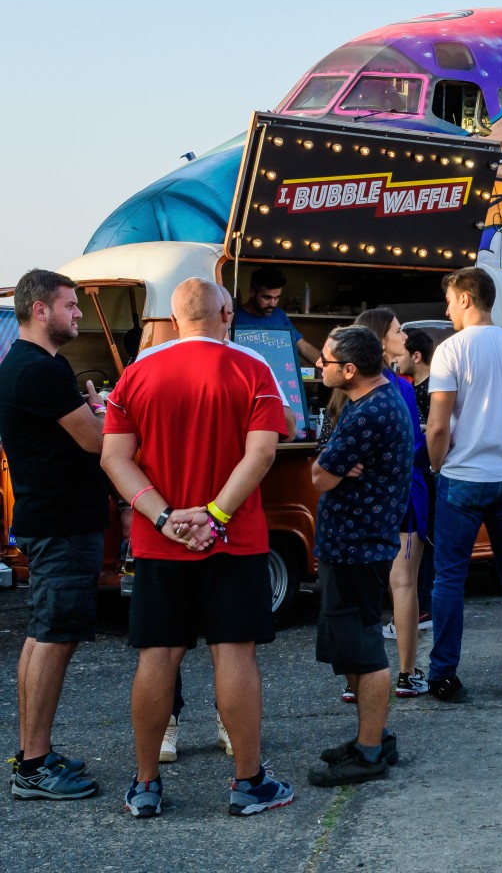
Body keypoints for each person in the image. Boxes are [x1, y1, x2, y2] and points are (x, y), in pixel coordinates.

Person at [101, 277, 293, 818]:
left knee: (156, 656)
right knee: (233, 653)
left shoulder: (135, 375)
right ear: (227, 311)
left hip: (160, 543)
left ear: (175, 317)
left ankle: (144, 785)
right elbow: (262, 456)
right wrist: (215, 516)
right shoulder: (254, 370)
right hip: (234, 540)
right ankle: (248, 783)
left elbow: (115, 459)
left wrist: (164, 517)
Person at [0, 270, 106, 801]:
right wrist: (105, 413)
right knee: (54, 637)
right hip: (61, 523)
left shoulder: (40, 365)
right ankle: (34, 766)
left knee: (42, 633)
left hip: (52, 519)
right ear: (40, 310)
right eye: (70, 305)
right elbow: (95, 441)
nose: (78, 313)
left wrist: (91, 409)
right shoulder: (36, 371)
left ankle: (30, 753)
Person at [424, 267, 502, 702]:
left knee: (449, 578)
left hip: (462, 478)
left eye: (449, 300)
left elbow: (438, 427)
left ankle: (443, 674)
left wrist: (437, 468)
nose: (446, 309)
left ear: (465, 299)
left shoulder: (449, 351)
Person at [306, 325, 414, 786]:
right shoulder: (366, 401)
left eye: (326, 361)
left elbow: (320, 477)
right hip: (353, 543)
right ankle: (373, 736)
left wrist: (328, 463)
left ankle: (370, 752)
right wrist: (329, 459)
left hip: (357, 547)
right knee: (349, 648)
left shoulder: (370, 412)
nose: (319, 366)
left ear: (350, 370)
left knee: (365, 651)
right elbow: (326, 460)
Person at [354, 308, 432, 699]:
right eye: (399, 330)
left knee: (363, 586)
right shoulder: (398, 385)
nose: (406, 335)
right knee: (404, 583)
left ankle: (357, 679)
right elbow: (413, 445)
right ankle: (406, 673)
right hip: (402, 493)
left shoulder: (348, 384)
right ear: (381, 338)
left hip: (360, 498)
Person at [398, 328, 437, 625]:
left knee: (426, 544)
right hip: (420, 475)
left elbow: (438, 431)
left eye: (402, 354)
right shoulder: (409, 388)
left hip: (431, 475)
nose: (398, 360)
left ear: (417, 356)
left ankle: (424, 605)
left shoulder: (434, 389)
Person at [232, 265, 320, 366]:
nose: (273, 304)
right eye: (267, 298)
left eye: (277, 298)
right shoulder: (233, 317)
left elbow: (303, 347)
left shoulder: (279, 315)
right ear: (252, 292)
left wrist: (330, 366)